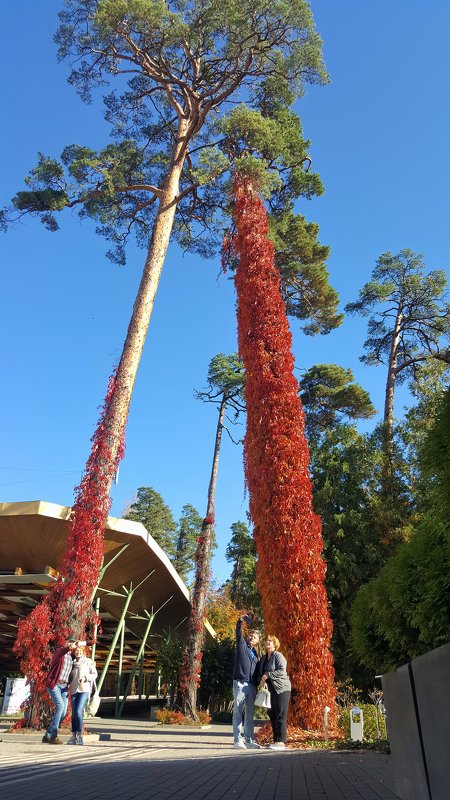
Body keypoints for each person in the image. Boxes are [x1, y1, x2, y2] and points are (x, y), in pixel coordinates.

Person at [257, 634, 291, 750]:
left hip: (281, 688)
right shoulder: (264, 658)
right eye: (266, 640)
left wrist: (268, 675)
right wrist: (261, 680)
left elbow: (282, 670)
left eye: (270, 641)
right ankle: (276, 740)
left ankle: (281, 741)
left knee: (280, 714)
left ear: (274, 644)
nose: (267, 642)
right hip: (270, 690)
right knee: (272, 714)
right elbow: (260, 673)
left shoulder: (278, 655)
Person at [232, 614, 261, 749]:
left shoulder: (255, 654)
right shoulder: (242, 644)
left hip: (251, 686)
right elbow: (238, 632)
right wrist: (241, 620)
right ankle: (238, 740)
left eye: (254, 637)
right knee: (238, 712)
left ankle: (249, 740)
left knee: (249, 714)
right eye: (250, 635)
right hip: (240, 682)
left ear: (257, 641)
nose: (251, 637)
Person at [42, 636, 78, 744]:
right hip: (55, 684)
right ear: (65, 642)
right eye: (69, 641)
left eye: (72, 642)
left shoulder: (71, 657)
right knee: (60, 706)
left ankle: (47, 735)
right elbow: (61, 652)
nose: (70, 643)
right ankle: (53, 736)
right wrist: (68, 648)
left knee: (63, 713)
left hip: (64, 686)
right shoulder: (59, 653)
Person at [67, 645, 98, 745]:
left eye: (80, 650)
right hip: (73, 689)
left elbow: (94, 674)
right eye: (76, 650)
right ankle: (73, 735)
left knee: (78, 711)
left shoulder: (88, 661)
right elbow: (69, 676)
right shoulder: (72, 663)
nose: (78, 652)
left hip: (84, 689)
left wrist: (85, 678)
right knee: (74, 713)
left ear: (83, 652)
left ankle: (79, 735)